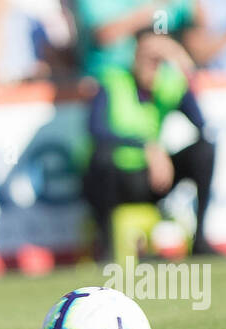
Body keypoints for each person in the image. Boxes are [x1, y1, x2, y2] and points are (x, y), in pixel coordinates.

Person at [83, 31, 219, 256]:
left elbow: (201, 124)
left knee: (204, 151)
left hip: (153, 180)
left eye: (159, 59)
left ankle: (200, 240)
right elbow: (96, 130)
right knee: (102, 156)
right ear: (135, 56)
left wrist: (183, 66)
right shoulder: (113, 81)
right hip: (118, 178)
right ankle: (106, 247)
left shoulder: (170, 84)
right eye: (148, 57)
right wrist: (146, 146)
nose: (153, 65)